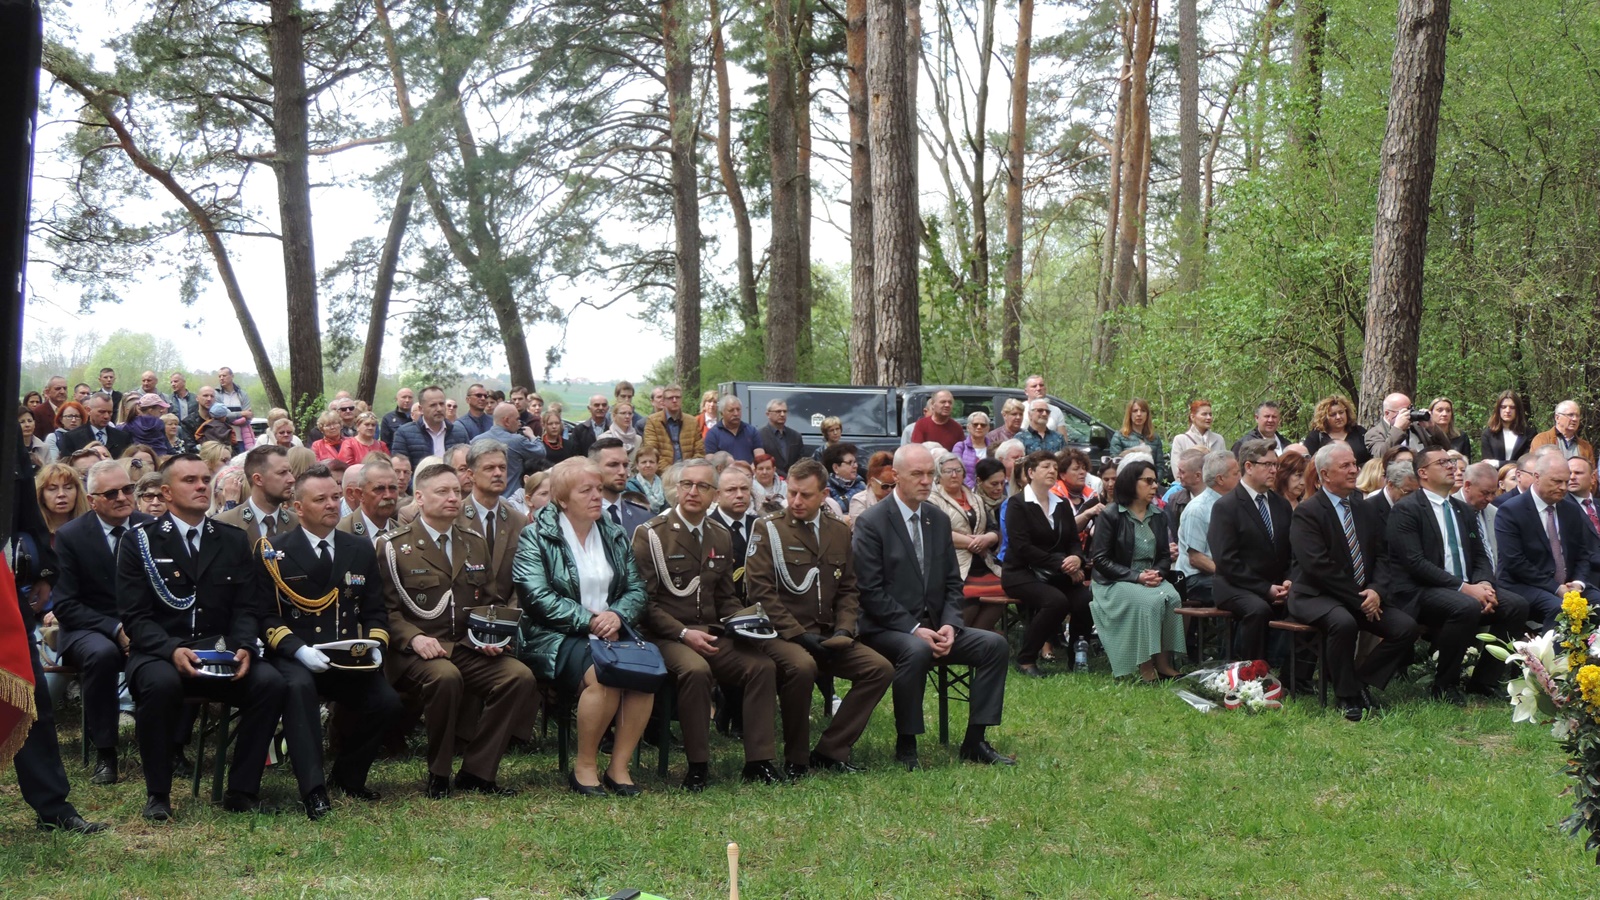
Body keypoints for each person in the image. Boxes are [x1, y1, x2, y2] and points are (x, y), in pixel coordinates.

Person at [116, 454, 287, 819]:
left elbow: (246, 606)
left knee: (270, 683)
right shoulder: (140, 542)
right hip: (159, 652)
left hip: (220, 650)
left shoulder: (231, 539)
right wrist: (171, 649)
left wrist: (243, 646)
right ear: (165, 491)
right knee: (161, 686)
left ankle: (241, 790)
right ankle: (158, 794)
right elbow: (136, 617)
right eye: (189, 480)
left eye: (204, 479)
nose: (200, 486)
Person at [853, 444, 1014, 770]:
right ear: (896, 476)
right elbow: (869, 592)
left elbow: (954, 584)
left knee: (994, 644)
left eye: (930, 474)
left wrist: (951, 625)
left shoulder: (937, 520)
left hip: (936, 624)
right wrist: (914, 629)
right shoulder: (872, 522)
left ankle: (975, 741)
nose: (927, 481)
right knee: (916, 650)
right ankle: (907, 742)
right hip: (886, 629)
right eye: (918, 474)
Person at [254, 465, 402, 818]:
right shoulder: (274, 551)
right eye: (320, 499)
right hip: (297, 656)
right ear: (297, 508)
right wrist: (297, 649)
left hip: (346, 656)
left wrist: (375, 646)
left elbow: (374, 610)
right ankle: (314, 788)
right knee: (300, 691)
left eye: (336, 497)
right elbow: (266, 616)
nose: (332, 505)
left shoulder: (358, 547)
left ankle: (348, 777)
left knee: (386, 702)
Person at [380, 462, 534, 798]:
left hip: (467, 645)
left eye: (456, 491)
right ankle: (439, 772)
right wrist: (414, 638)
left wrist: (492, 638)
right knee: (445, 678)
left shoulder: (473, 542)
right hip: (417, 651)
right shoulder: (394, 546)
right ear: (419, 498)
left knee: (518, 677)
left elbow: (490, 599)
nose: (454, 498)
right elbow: (385, 611)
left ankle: (478, 771)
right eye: (443, 492)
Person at [633, 458, 782, 789]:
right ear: (677, 489)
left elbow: (726, 595)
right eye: (687, 484)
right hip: (666, 636)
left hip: (712, 632)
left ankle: (759, 760)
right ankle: (698, 764)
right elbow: (645, 604)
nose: (693, 492)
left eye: (702, 486)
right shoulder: (651, 535)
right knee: (696, 671)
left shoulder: (720, 534)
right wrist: (684, 634)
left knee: (761, 666)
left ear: (715, 495)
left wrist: (743, 621)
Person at [513, 457, 653, 796]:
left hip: (613, 631)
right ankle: (585, 766)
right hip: (555, 635)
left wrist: (617, 616)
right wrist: (589, 621)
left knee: (644, 677)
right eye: (585, 490)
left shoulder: (615, 533)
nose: (597, 497)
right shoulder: (536, 536)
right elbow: (536, 596)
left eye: (599, 489)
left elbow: (636, 588)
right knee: (603, 676)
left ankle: (619, 767)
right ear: (562, 499)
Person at [745, 457, 893, 776]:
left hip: (827, 634)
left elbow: (849, 588)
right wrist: (798, 635)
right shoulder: (768, 528)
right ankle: (796, 758)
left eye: (806, 495)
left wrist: (844, 629)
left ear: (824, 494)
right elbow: (760, 592)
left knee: (878, 669)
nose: (796, 501)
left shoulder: (838, 531)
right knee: (802, 666)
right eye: (792, 493)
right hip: (781, 634)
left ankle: (831, 749)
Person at [1287, 444, 1419, 721]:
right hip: (1315, 595)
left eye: (1354, 464)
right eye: (1345, 466)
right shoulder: (1308, 512)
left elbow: (1383, 556)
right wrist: (1360, 598)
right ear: (1325, 474)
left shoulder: (1364, 508)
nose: (1354, 470)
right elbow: (1317, 566)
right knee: (1343, 622)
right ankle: (1346, 697)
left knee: (1405, 627)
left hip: (1364, 596)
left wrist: (1376, 591)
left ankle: (1361, 681)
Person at [1386, 447, 1528, 703]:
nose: (1451, 466)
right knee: (1465, 607)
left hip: (1465, 588)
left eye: (1452, 461)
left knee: (1516, 605)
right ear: (1423, 473)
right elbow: (1415, 563)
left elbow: (1480, 555)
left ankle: (1483, 681)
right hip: (1421, 591)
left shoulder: (1463, 510)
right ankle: (1445, 684)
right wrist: (1466, 588)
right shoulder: (1407, 509)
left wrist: (1484, 583)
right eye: (1442, 462)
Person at [49, 460, 154, 784]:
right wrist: (114, 629)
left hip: (142, 622)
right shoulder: (71, 536)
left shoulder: (150, 527)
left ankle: (171, 746)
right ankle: (106, 751)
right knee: (102, 655)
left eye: (127, 489)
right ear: (93, 500)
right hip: (88, 627)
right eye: (112, 493)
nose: (123, 497)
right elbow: (65, 604)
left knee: (172, 650)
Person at [1089, 460, 1185, 681]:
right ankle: (1145, 666)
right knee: (1149, 602)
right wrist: (1136, 576)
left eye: (1155, 482)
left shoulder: (1158, 515)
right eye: (1148, 481)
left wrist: (1157, 573)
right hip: (1114, 581)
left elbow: (1163, 556)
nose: (1154, 487)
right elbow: (1101, 560)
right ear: (1132, 483)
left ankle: (1164, 664)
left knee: (1172, 598)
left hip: (1150, 578)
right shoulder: (1112, 515)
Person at [998, 451, 1091, 676]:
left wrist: (1076, 559)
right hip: (1021, 572)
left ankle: (1077, 658)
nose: (1052, 471)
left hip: (1057, 573)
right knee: (1056, 601)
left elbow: (1072, 540)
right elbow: (1023, 548)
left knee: (1085, 600)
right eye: (1045, 467)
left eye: (1053, 467)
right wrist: (1063, 564)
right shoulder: (1017, 504)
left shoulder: (1061, 504)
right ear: (1031, 473)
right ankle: (1026, 658)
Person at [1207, 440, 1294, 663]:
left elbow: (1291, 552)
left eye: (1276, 465)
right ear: (1248, 466)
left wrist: (1288, 582)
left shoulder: (1281, 505)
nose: (1274, 470)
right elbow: (1226, 561)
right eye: (1267, 465)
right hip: (1234, 585)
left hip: (1276, 584)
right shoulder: (1226, 507)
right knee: (1258, 609)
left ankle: (1294, 674)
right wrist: (1265, 589)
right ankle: (1250, 672)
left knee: (1305, 604)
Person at [1496, 449, 1600, 630]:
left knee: (1597, 602)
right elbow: (1515, 561)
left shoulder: (1570, 510)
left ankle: (1588, 656)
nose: (1563, 487)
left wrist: (1578, 583)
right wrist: (1555, 588)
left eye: (1566, 482)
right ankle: (1551, 658)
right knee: (1560, 609)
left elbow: (1583, 554)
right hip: (1522, 583)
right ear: (1537, 477)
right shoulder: (1510, 511)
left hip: (1568, 584)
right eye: (1556, 481)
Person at [457, 439, 530, 603]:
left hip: (508, 618)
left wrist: (509, 617)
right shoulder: (454, 518)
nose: (498, 473)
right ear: (471, 475)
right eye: (489, 468)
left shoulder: (519, 521)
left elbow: (524, 578)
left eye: (502, 467)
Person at [1175, 451, 1239, 606]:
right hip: (1195, 579)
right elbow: (1196, 559)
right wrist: (1233, 575)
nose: (1241, 477)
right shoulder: (1198, 509)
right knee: (1245, 594)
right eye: (1236, 473)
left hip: (1220, 574)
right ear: (1220, 479)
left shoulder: (1234, 504)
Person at [931, 452, 1001, 582]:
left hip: (985, 562)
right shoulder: (931, 501)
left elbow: (993, 528)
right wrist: (974, 543)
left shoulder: (977, 499)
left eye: (958, 470)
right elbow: (936, 533)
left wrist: (988, 538)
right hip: (953, 565)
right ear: (938, 475)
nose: (954, 475)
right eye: (948, 471)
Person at [212, 445, 300, 541]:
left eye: (289, 472)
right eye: (282, 473)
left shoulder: (298, 523)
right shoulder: (224, 523)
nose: (291, 479)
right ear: (258, 479)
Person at [390, 386, 471, 470]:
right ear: (421, 409)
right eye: (433, 405)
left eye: (441, 404)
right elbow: (400, 471)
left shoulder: (460, 433)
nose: (439, 409)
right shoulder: (404, 433)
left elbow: (469, 465)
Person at [591, 437, 651, 536]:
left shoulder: (644, 517)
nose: (622, 472)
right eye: (613, 465)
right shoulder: (582, 518)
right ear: (594, 467)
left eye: (625, 465)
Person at [339, 457, 400, 545]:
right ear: (360, 494)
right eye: (379, 489)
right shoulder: (341, 532)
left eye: (392, 488)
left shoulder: (403, 533)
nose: (388, 495)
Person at [1301, 395, 1370, 468]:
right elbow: (1308, 464)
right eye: (1333, 415)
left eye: (1341, 412)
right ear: (1324, 418)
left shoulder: (1359, 432)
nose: (1338, 417)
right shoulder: (1316, 437)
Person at [641, 384, 703, 464]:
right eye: (670, 398)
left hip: (689, 471)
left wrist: (689, 470)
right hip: (663, 472)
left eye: (677, 397)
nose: (674, 400)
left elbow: (699, 451)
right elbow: (652, 452)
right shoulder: (653, 421)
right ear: (663, 401)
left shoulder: (692, 421)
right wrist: (669, 473)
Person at [55, 395, 131, 459]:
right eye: (102, 412)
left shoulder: (122, 437)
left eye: (110, 412)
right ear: (88, 410)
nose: (106, 416)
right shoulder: (72, 438)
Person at [1110, 399, 1167, 481]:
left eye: (1143, 411)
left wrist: (1154, 483)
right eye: (1135, 411)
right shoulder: (1119, 436)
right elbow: (1115, 465)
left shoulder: (1155, 438)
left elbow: (1160, 466)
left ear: (1147, 414)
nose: (1139, 414)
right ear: (1129, 414)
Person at [1365, 392, 1433, 459]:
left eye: (1411, 409)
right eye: (1404, 411)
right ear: (1387, 413)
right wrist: (1398, 429)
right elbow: (1380, 456)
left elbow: (1442, 446)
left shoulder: (1418, 427)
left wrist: (1432, 427)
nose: (1409, 414)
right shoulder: (1374, 433)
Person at [35, 462, 88, 542]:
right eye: (52, 489)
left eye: (68, 488)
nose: (61, 494)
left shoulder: (92, 528)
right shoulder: (34, 535)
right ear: (41, 495)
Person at [1530, 400, 1595, 464]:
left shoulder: (1586, 447)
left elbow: (1591, 472)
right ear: (1557, 418)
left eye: (1577, 415)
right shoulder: (1542, 440)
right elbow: (1534, 466)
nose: (1575, 419)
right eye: (1570, 415)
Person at [1481, 390, 1533, 467]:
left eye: (1512, 407)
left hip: (1520, 476)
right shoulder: (1488, 434)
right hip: (1495, 477)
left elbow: (1527, 462)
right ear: (1498, 409)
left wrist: (1497, 463)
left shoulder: (1529, 434)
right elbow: (1487, 464)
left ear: (1518, 410)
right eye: (1503, 407)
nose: (1507, 411)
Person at [704, 395, 761, 464]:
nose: (736, 414)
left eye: (738, 409)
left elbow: (760, 457)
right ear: (722, 413)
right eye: (731, 410)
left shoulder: (752, 431)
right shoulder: (713, 434)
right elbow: (710, 461)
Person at [758, 399, 806, 475]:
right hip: (770, 478)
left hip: (793, 479)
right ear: (768, 414)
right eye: (778, 411)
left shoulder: (796, 436)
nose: (782, 414)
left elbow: (801, 461)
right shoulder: (759, 435)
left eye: (785, 411)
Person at [214, 367, 253, 453]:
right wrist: (242, 413)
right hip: (224, 438)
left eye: (224, 375)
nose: (221, 378)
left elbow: (248, 416)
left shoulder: (242, 394)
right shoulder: (215, 395)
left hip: (242, 438)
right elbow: (220, 416)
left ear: (232, 376)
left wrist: (229, 416)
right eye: (219, 376)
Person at [849, 451, 896, 520]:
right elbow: (860, 527)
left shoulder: (900, 499)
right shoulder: (860, 501)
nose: (890, 489)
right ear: (872, 481)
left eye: (893, 486)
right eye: (885, 486)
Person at [950, 412, 991, 488]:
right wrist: (972, 488)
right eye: (975, 424)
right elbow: (956, 469)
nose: (979, 427)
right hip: (965, 490)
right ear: (968, 427)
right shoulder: (960, 447)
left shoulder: (993, 448)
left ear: (988, 428)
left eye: (983, 425)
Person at [822, 442, 865, 511]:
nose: (855, 466)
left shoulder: (861, 485)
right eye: (850, 462)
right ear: (836, 468)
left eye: (855, 462)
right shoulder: (826, 489)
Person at [41, 400, 85, 464]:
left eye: (77, 416)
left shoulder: (87, 436)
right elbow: (53, 463)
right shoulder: (54, 437)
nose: (73, 420)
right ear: (61, 419)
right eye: (69, 416)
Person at [627, 446, 667, 512]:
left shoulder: (665, 485)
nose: (648, 465)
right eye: (644, 462)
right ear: (637, 466)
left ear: (657, 465)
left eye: (651, 462)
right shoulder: (630, 487)